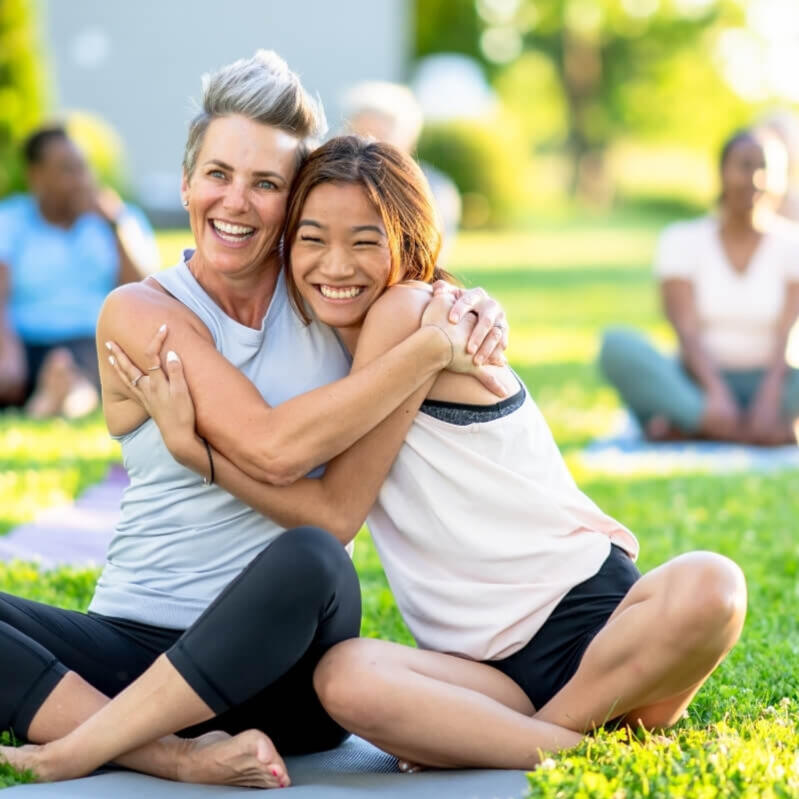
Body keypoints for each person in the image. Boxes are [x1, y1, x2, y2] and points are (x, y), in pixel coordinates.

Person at [106, 136, 746, 772]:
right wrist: (196, 454)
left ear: (407, 244)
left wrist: (205, 457)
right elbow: (327, 505)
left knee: (713, 583)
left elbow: (320, 499)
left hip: (594, 622)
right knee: (343, 677)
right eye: (312, 239)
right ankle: (565, 740)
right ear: (285, 245)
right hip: (481, 671)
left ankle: (536, 741)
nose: (337, 265)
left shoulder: (407, 312)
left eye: (365, 241)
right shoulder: (342, 354)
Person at [0, 53, 509, 788]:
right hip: (132, 647)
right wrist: (432, 347)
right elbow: (273, 447)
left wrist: (471, 306)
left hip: (284, 675)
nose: (235, 202)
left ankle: (84, 736)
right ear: (185, 183)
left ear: (293, 202)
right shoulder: (140, 311)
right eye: (218, 174)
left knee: (312, 557)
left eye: (266, 183)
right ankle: (169, 752)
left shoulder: (325, 294)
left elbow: (413, 280)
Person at [600, 128, 799, 444]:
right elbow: (686, 331)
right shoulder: (681, 239)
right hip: (696, 384)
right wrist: (715, 394)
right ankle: (734, 428)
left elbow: (785, 336)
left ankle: (692, 428)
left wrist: (770, 397)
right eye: (745, 166)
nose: (757, 179)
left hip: (777, 383)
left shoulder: (792, 245)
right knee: (615, 346)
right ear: (722, 172)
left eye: (767, 169)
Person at [0, 125, 158, 418]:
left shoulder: (120, 221)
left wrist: (115, 227)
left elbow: (145, 294)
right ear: (36, 176)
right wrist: (5, 347)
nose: (80, 180)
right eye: (66, 170)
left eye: (83, 168)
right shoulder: (10, 220)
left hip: (91, 341)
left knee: (87, 362)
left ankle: (59, 394)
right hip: (26, 341)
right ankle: (63, 393)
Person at [342, 80, 461, 263]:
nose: (368, 146)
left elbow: (429, 260)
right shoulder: (331, 184)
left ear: (408, 141)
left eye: (380, 137)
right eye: (359, 135)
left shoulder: (435, 190)